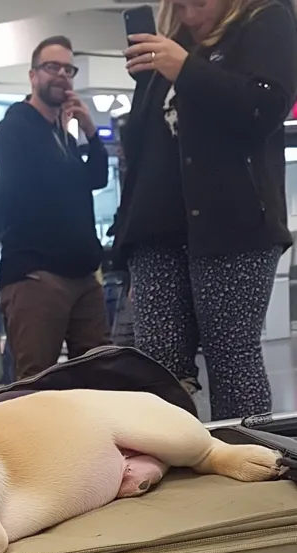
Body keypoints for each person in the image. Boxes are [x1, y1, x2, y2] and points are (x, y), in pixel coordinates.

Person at [113, 0, 297, 419]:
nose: (186, 8)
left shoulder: (266, 19)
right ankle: (173, 469)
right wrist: (125, 244)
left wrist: (187, 70)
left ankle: (252, 468)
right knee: (156, 365)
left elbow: (265, 107)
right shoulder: (170, 45)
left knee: (232, 356)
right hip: (156, 230)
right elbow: (140, 151)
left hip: (234, 225)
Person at [0, 35, 110, 380]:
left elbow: (96, 179)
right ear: (33, 76)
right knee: (35, 384)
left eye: (68, 69)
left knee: (101, 378)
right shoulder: (17, 126)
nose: (61, 75)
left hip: (82, 275)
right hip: (37, 275)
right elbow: (22, 192)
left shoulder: (64, 137)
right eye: (51, 67)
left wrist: (90, 132)